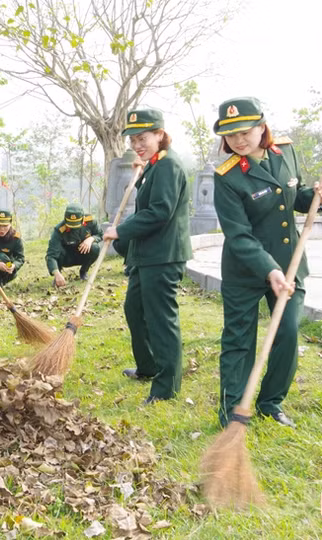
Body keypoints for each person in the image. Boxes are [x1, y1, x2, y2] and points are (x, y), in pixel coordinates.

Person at [212, 97, 322, 428]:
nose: (238, 140)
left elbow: (293, 199)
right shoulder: (226, 176)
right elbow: (238, 235)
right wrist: (268, 269)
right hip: (245, 268)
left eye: (245, 131)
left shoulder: (285, 151)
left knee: (288, 331)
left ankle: (271, 402)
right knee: (238, 338)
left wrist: (319, 197)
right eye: (230, 134)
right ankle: (232, 409)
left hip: (290, 263)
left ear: (262, 126)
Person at [103, 108, 192, 404]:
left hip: (163, 255)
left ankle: (166, 389)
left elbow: (160, 212)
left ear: (160, 135)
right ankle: (148, 366)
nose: (137, 145)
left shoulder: (168, 166)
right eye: (132, 140)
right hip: (146, 255)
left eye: (142, 138)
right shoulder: (154, 165)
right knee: (134, 310)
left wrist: (121, 230)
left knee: (160, 319)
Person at [45, 203, 103, 287]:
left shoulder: (90, 221)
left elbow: (100, 234)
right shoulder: (59, 230)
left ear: (82, 219)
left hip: (82, 254)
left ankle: (84, 271)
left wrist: (91, 239)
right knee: (58, 252)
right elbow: (51, 255)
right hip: (66, 257)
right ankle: (59, 276)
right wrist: (56, 273)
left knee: (95, 248)